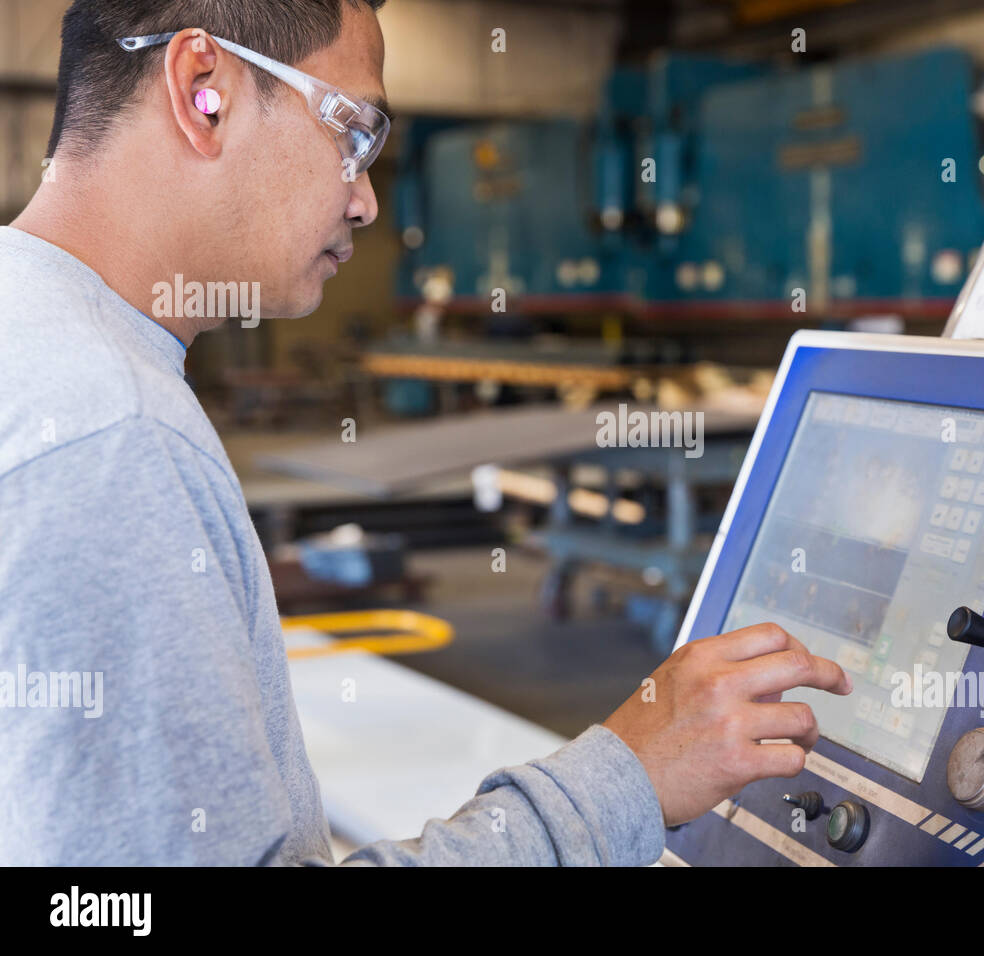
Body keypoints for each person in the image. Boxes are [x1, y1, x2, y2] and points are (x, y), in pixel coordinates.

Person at [0, 0, 851, 866]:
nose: (366, 201)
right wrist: (628, 775)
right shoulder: (114, 438)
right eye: (354, 132)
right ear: (203, 90)